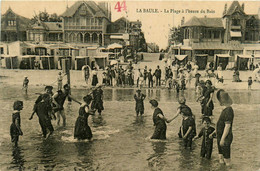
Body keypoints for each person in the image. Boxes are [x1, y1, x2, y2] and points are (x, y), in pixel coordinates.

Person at [212, 89, 234, 166]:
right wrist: (215, 132)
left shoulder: (228, 110)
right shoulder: (225, 110)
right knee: (221, 157)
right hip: (220, 136)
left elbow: (227, 126)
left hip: (225, 137)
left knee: (226, 159)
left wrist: (222, 139)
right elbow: (221, 124)